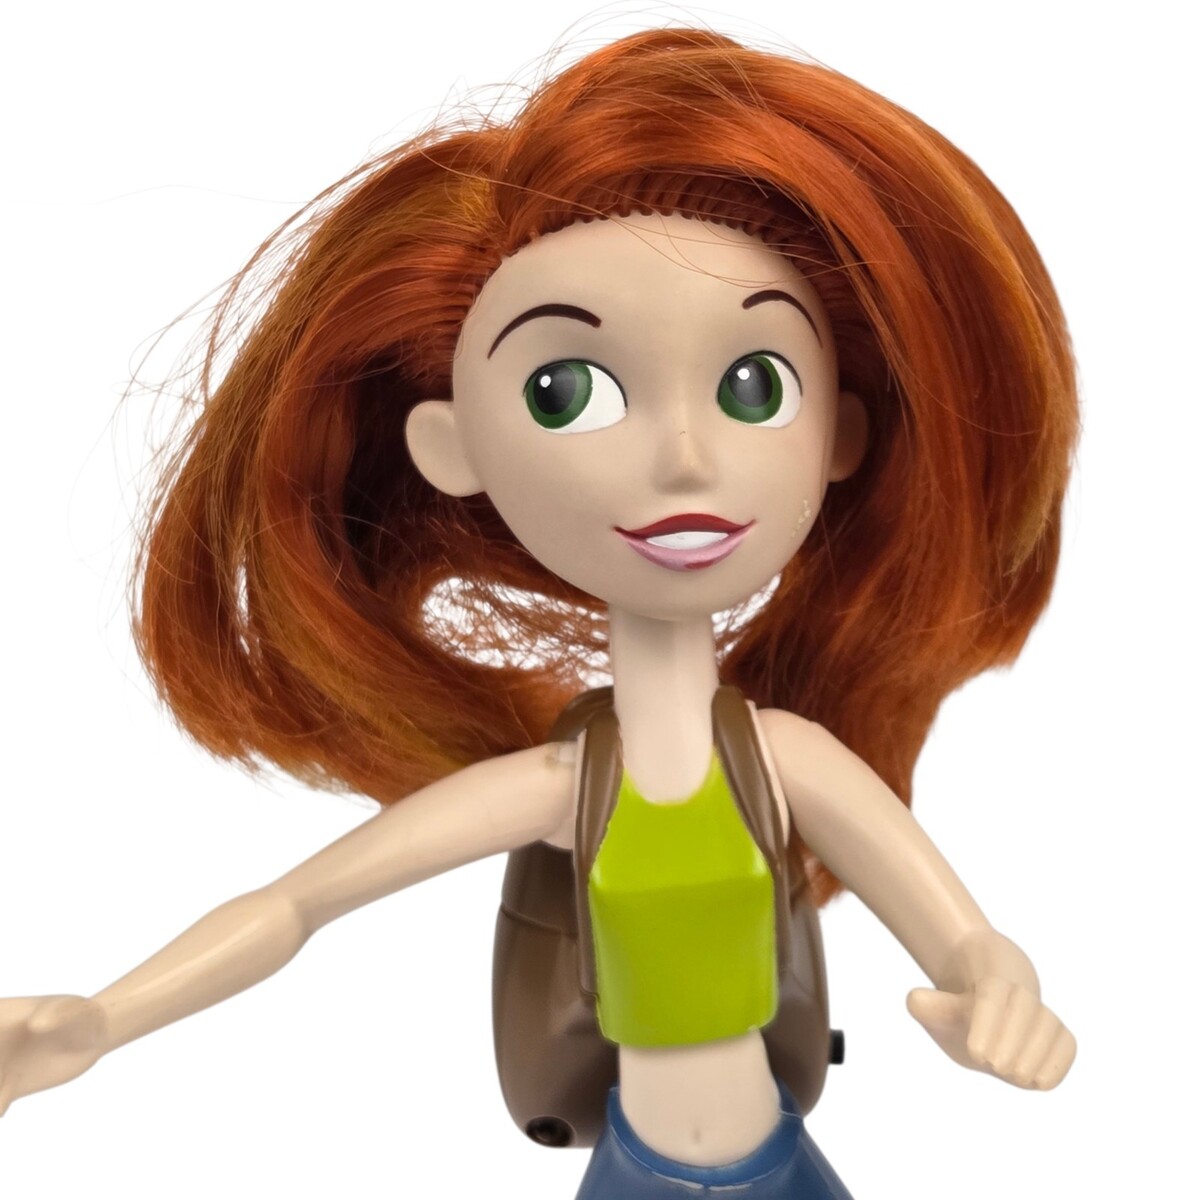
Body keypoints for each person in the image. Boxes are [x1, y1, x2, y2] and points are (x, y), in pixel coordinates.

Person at [0, 28, 1077, 1197]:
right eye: (569, 392)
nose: (684, 456)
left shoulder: (788, 764)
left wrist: (999, 993)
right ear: (453, 449)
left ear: (840, 435)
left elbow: (968, 943)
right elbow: (297, 906)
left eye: (752, 385)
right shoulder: (563, 792)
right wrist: (99, 1020)